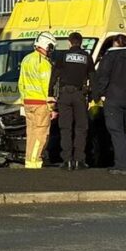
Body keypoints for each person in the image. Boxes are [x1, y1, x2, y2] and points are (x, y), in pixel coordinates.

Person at [92, 34, 126, 175]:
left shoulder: (109, 57)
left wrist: (100, 95)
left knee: (116, 132)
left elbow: (102, 76)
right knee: (122, 131)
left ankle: (122, 166)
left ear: (115, 43)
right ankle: (125, 161)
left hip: (113, 99)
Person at [50, 32, 95, 171]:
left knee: (65, 128)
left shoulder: (63, 56)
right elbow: (93, 77)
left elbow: (54, 75)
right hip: (80, 94)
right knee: (81, 128)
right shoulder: (86, 57)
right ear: (81, 43)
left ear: (69, 42)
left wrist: (50, 93)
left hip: (64, 95)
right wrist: (93, 96)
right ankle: (80, 160)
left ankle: (67, 160)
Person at [18, 32, 56, 169]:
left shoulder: (26, 60)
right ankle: (35, 161)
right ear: (47, 46)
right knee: (41, 134)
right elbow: (48, 88)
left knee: (31, 133)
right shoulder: (44, 64)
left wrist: (24, 100)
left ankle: (29, 161)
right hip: (41, 104)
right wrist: (52, 108)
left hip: (28, 102)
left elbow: (20, 83)